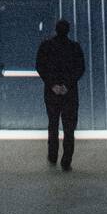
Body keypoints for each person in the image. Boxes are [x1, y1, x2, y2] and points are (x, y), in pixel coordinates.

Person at [35, 19, 85, 171]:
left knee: (53, 124)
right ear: (68, 30)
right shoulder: (75, 47)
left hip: (52, 93)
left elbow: (40, 66)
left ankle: (52, 156)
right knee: (69, 128)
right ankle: (66, 161)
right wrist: (67, 86)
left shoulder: (46, 46)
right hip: (69, 94)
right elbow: (80, 68)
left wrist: (52, 85)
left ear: (56, 30)